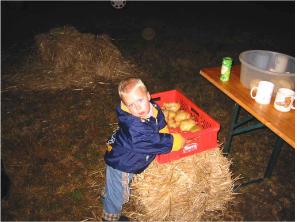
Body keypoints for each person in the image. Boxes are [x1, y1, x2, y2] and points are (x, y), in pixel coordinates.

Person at [102, 77, 185, 221]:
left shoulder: (152, 107)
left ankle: (107, 194)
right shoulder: (135, 127)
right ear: (126, 107)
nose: (138, 108)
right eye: (132, 105)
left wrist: (164, 130)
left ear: (148, 96)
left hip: (125, 155)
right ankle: (110, 217)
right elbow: (153, 142)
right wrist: (174, 141)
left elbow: (158, 118)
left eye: (140, 101)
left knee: (113, 186)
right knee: (119, 194)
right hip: (122, 164)